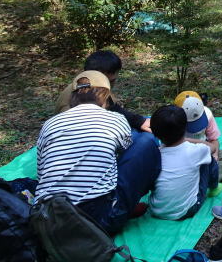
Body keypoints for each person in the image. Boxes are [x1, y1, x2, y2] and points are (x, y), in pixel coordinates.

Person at [36, 71, 161, 234]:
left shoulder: (49, 125)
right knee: (146, 142)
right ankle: (129, 205)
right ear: (105, 96)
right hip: (98, 221)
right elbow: (123, 154)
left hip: (48, 221)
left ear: (73, 96)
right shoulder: (115, 119)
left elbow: (41, 173)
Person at [148, 105, 217, 221]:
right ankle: (214, 185)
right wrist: (189, 140)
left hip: (156, 210)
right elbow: (212, 147)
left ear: (155, 133)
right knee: (208, 158)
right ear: (186, 128)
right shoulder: (196, 150)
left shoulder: (154, 153)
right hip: (186, 210)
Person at [54, 50, 151, 133]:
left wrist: (140, 122)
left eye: (112, 81)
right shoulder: (74, 100)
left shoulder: (94, 86)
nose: (108, 85)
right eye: (107, 81)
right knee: (146, 139)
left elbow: (114, 108)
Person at [175, 91, 222, 182]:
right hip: (186, 159)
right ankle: (215, 177)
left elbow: (214, 140)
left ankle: (207, 178)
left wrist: (215, 156)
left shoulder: (207, 113)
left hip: (206, 153)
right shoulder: (173, 122)